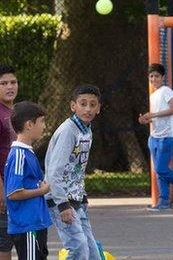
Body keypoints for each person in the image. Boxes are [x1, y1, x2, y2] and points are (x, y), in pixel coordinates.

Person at [44, 85, 101, 259]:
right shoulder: (69, 131)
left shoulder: (86, 129)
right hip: (60, 200)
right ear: (72, 106)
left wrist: (81, 196)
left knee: (93, 253)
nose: (88, 109)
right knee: (78, 248)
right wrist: (62, 204)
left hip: (76, 198)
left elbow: (77, 167)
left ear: (99, 108)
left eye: (93, 104)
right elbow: (54, 171)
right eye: (83, 104)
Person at [138, 63, 173, 211]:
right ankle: (163, 202)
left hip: (167, 137)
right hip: (154, 137)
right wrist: (146, 119)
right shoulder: (153, 95)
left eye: (156, 76)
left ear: (162, 77)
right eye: (151, 76)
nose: (153, 79)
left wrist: (153, 115)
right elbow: (157, 116)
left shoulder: (166, 91)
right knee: (158, 172)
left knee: (162, 169)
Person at [4, 101, 51, 260]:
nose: (44, 126)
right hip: (27, 225)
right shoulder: (18, 155)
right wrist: (42, 190)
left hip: (36, 222)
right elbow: (13, 193)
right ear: (29, 124)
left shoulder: (27, 152)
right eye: (42, 121)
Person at [0, 65, 18, 260]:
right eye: (3, 83)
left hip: (17, 185)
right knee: (4, 240)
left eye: (13, 82)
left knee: (13, 238)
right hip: (4, 186)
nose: (9, 86)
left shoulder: (16, 111)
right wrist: (1, 190)